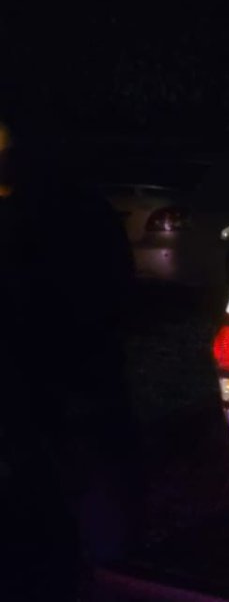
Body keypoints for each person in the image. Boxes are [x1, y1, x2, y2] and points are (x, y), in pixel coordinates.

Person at [0, 119, 142, 599]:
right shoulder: (85, 211)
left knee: (78, 504)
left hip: (60, 390)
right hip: (73, 388)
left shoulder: (33, 219)